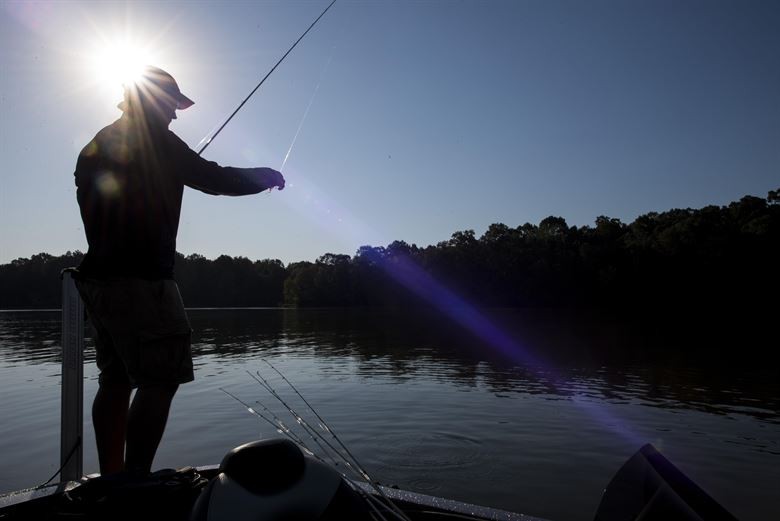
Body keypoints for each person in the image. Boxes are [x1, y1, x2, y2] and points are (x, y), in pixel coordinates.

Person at [73, 66, 285, 476]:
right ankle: (135, 483)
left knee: (115, 380)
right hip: (142, 282)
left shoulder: (97, 143)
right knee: (160, 379)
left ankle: (114, 480)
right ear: (153, 101)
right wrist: (263, 177)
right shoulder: (156, 141)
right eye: (172, 105)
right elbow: (213, 178)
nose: (175, 114)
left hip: (99, 281)